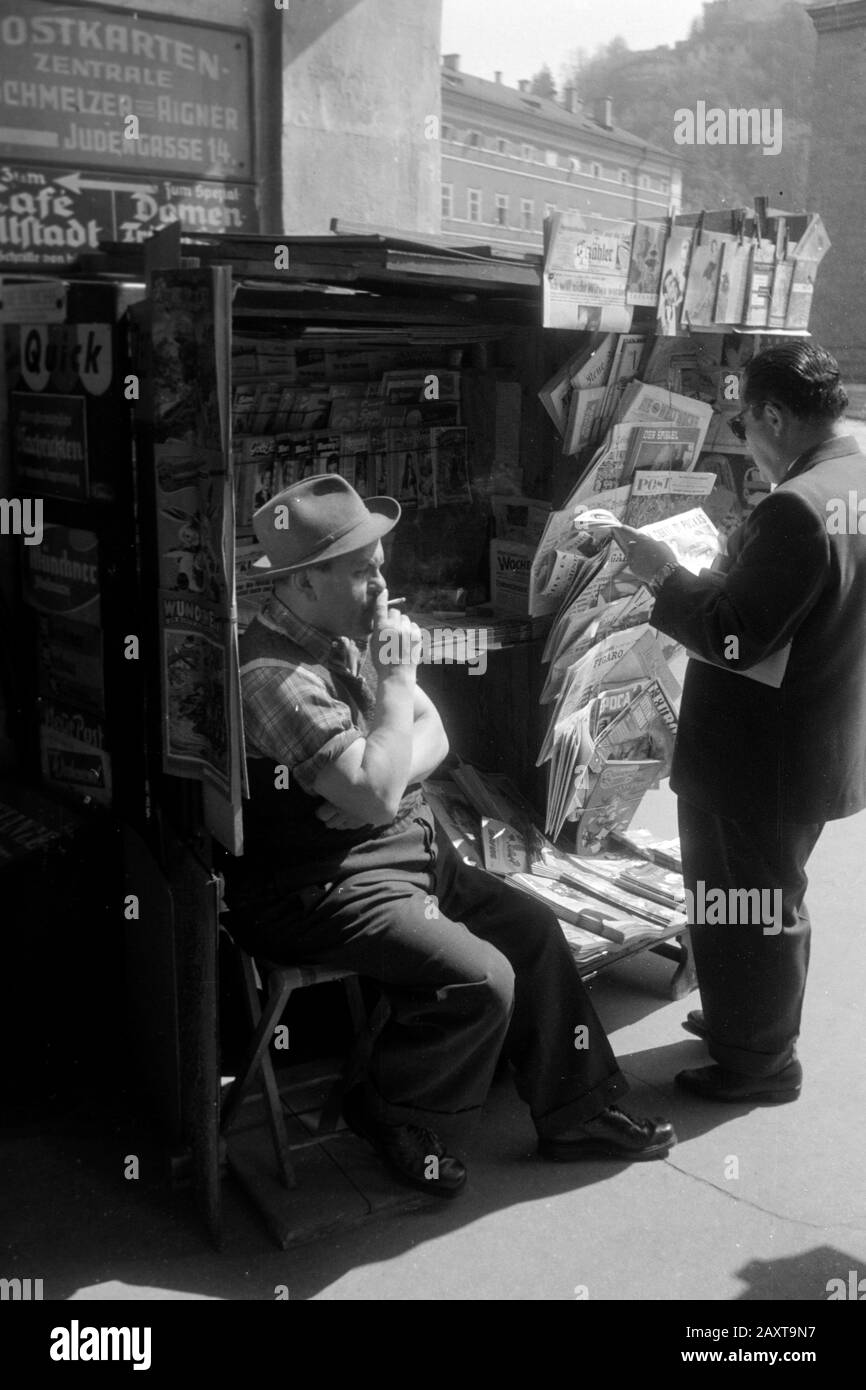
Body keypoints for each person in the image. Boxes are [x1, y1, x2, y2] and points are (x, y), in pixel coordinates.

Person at [220, 473, 676, 1199]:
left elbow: (432, 735)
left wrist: (385, 771)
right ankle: (393, 1111)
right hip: (319, 885)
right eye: (363, 570)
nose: (381, 583)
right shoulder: (273, 675)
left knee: (530, 929)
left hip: (401, 849)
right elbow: (374, 784)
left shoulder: (349, 634)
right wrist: (393, 706)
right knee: (479, 979)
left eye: (379, 563)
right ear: (303, 586)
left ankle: (576, 1111)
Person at [609, 343, 866, 1103]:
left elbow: (737, 637)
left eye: (744, 417)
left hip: (760, 754)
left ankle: (757, 1062)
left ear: (776, 415)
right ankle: (744, 1026)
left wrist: (664, 574)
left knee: (748, 906)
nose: (742, 433)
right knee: (763, 898)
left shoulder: (797, 505)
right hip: (811, 740)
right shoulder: (849, 480)